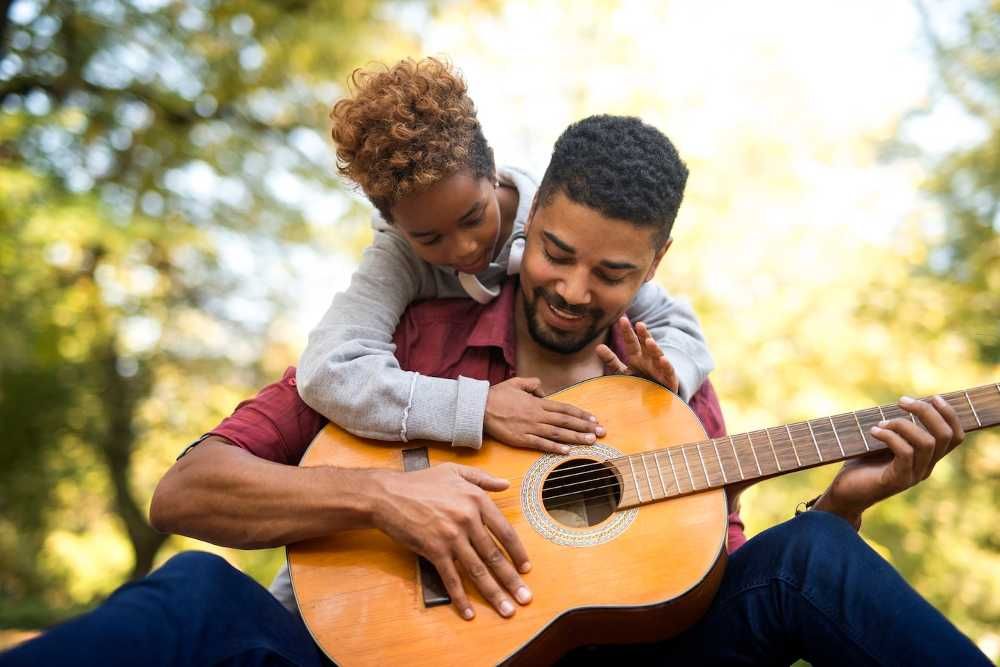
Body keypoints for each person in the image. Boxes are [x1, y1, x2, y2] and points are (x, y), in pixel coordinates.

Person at [1, 116, 987, 666]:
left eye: (611, 273)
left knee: (809, 555)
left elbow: (708, 589)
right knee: (195, 596)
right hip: (372, 659)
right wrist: (383, 493)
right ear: (528, 223)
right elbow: (186, 493)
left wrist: (843, 506)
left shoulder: (669, 390)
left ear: (653, 263)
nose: (572, 287)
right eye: (555, 253)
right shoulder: (401, 343)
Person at [295, 57, 715, 456]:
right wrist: (473, 409)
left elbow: (676, 328)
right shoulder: (398, 255)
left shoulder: (564, 223)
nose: (463, 248)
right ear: (397, 225)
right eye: (429, 237)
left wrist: (662, 385)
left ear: (493, 171)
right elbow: (329, 369)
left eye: (474, 217)